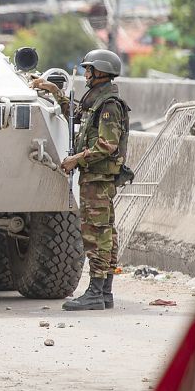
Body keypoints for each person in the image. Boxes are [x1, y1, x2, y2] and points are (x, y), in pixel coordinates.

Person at [29, 49, 130, 312]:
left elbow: (107, 145)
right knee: (106, 232)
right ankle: (104, 292)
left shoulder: (108, 106)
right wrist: (53, 89)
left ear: (101, 72)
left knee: (96, 233)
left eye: (89, 70)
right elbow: (75, 113)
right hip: (98, 177)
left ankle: (96, 292)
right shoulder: (98, 100)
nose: (86, 74)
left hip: (98, 177)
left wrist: (77, 159)